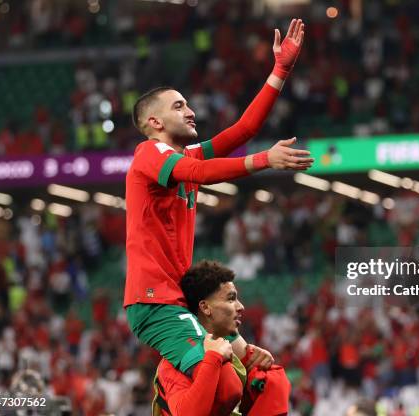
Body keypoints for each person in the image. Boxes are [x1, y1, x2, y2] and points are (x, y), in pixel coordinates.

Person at [124, 18, 306, 383]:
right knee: (222, 384)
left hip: (182, 297)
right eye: (178, 106)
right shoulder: (148, 154)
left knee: (259, 371)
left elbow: (244, 130)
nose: (190, 111)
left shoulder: (186, 154)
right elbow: (200, 175)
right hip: (155, 301)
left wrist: (280, 70)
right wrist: (262, 160)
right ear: (155, 121)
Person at [152, 260, 291, 416]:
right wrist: (213, 359)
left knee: (273, 379)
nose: (240, 306)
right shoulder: (174, 365)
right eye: (231, 299)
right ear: (205, 307)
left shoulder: (234, 359)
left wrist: (257, 365)